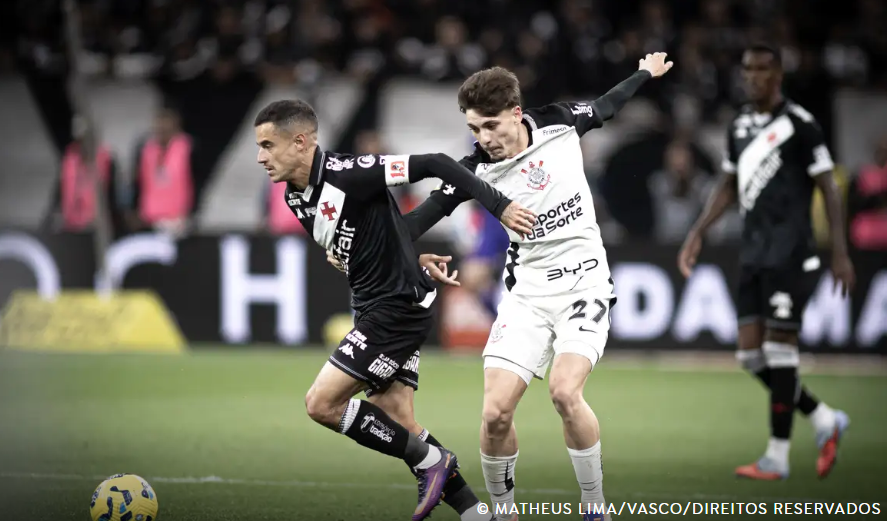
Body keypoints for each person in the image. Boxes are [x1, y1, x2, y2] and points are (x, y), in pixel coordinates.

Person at [393, 54, 673, 521]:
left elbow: (606, 105)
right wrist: (357, 244)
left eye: (490, 126)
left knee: (565, 392)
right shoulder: (474, 169)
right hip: (527, 296)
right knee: (495, 413)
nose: (484, 139)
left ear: (516, 114)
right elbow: (417, 221)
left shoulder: (560, 124)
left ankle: (594, 507)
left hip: (585, 283)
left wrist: (645, 73)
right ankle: (505, 514)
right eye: (474, 129)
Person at [253, 99, 535, 521]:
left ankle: (430, 463)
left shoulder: (352, 174)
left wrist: (499, 205)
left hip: (395, 308)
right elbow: (380, 237)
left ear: (300, 142)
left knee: (322, 404)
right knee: (398, 419)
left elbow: (435, 163)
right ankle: (477, 513)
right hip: (375, 303)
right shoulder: (296, 195)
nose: (260, 157)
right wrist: (410, 258)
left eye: (267, 145)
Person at [677, 43, 855, 481]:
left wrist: (840, 251)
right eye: (747, 70)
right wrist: (698, 231)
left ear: (778, 76)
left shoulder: (800, 125)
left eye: (762, 70)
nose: (753, 77)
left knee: (779, 352)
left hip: (791, 254)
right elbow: (728, 184)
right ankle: (823, 417)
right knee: (750, 357)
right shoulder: (739, 125)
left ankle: (777, 456)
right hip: (753, 253)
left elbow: (828, 187)